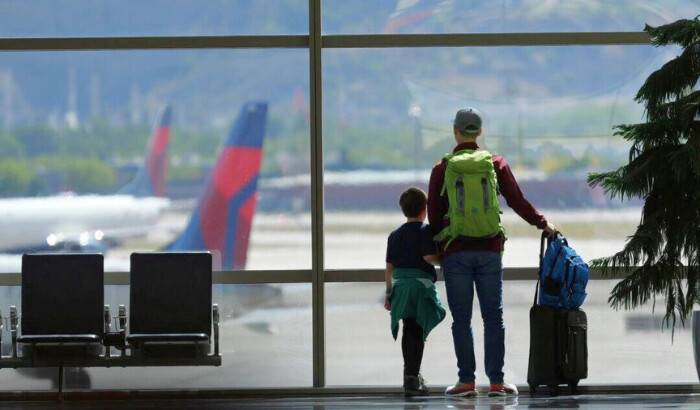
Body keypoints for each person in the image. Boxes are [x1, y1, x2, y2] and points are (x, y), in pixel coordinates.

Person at [428, 108, 556, 398]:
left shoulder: (442, 167)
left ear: (455, 131)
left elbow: (434, 216)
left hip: (456, 251)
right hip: (489, 249)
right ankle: (497, 383)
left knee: (461, 319)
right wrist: (543, 223)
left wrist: (440, 247)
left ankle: (465, 382)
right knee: (493, 318)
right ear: (480, 133)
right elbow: (517, 201)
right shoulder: (496, 163)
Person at [385, 186, 446, 396]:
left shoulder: (394, 235)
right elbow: (429, 258)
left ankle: (409, 375)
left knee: (407, 327)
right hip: (419, 288)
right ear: (424, 208)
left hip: (400, 288)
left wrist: (388, 293)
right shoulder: (426, 231)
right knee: (417, 330)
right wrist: (444, 261)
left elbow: (389, 267)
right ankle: (412, 378)